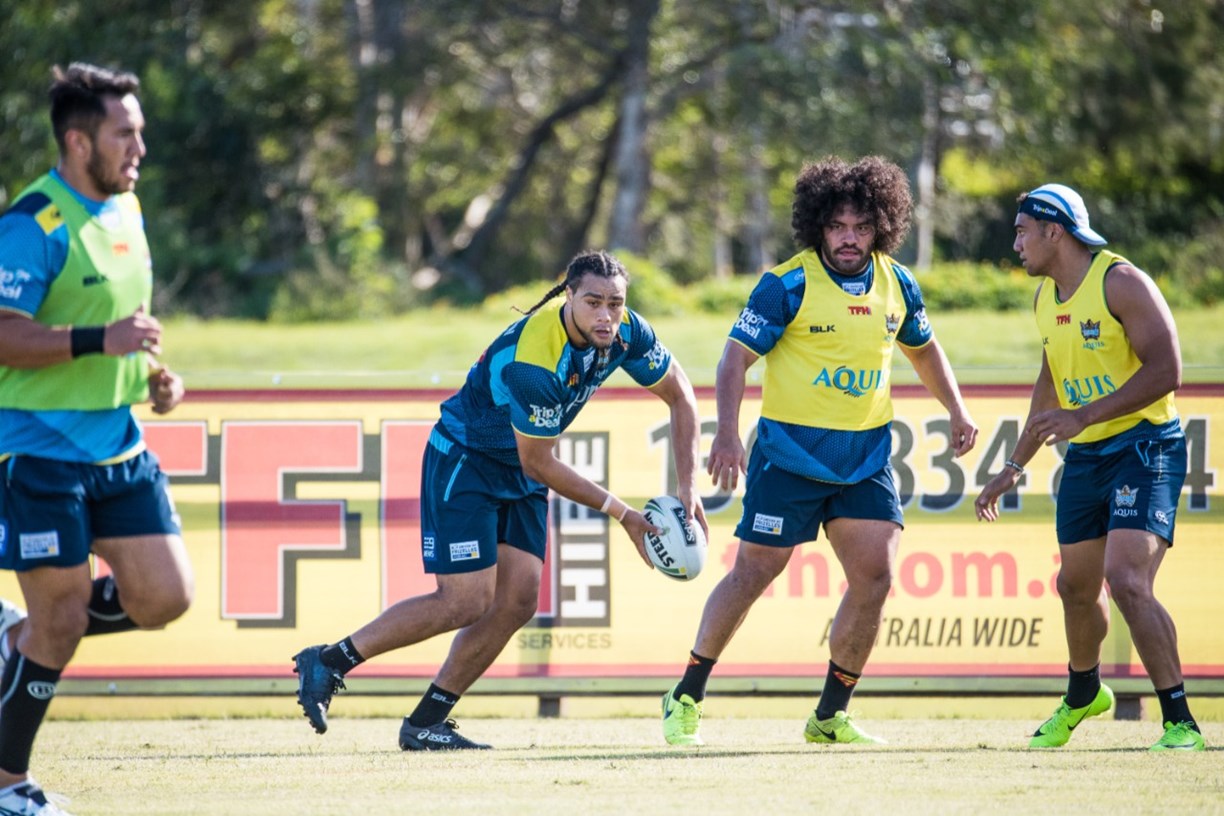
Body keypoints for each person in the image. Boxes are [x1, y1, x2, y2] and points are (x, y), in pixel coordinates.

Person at [293, 249, 707, 750]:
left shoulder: (627, 332)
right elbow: (540, 463)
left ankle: (426, 723)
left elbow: (681, 394)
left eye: (615, 304)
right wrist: (623, 514)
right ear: (568, 296)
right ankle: (329, 661)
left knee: (517, 601)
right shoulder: (535, 360)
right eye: (593, 302)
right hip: (467, 460)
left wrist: (688, 488)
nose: (606, 315)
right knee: (464, 601)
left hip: (521, 467)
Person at [661, 155, 978, 747]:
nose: (849, 238)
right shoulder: (787, 285)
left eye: (861, 226)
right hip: (790, 456)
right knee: (753, 573)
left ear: (882, 225)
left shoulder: (897, 283)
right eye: (837, 226)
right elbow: (734, 358)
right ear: (818, 227)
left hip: (865, 459)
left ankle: (830, 716)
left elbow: (924, 349)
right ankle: (686, 695)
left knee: (876, 577)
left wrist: (957, 409)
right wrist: (727, 433)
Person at [0, 63, 194, 814]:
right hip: (39, 454)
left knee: (165, 598)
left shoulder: (127, 210)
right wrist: (96, 341)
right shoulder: (33, 223)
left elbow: (125, 323)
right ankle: (9, 786)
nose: (139, 148)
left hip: (119, 448)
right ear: (79, 142)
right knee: (62, 620)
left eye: (139, 132)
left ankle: (16, 637)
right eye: (125, 134)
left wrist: (155, 378)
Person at [975, 184, 1204, 752]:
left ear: (1054, 231)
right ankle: (1083, 693)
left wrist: (1084, 415)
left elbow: (1168, 370)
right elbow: (1050, 381)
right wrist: (1014, 465)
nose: (1015, 243)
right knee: (1074, 586)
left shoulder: (1119, 282)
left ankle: (1181, 722)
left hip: (1145, 446)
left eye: (1022, 231)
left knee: (1126, 580)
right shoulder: (1045, 298)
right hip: (1087, 454)